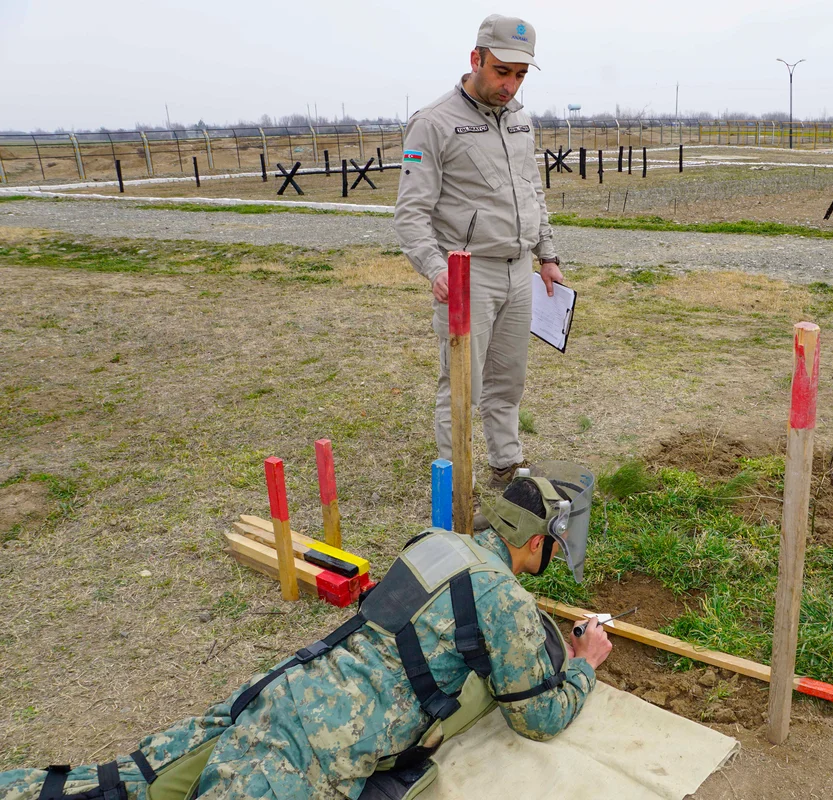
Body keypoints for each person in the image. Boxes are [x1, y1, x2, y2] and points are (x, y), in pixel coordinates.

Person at [0, 471, 609, 800]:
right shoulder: (506, 599)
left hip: (285, 690)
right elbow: (539, 717)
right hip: (314, 750)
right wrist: (584, 663)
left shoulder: (434, 541)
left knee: (123, 780)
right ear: (537, 543)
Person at [393, 14, 563, 492]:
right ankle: (457, 479)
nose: (510, 85)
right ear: (476, 59)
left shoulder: (521, 121)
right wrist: (434, 268)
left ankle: (506, 465)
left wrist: (547, 255)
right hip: (468, 275)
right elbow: (410, 213)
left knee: (508, 380)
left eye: (521, 75)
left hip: (519, 269)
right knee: (462, 386)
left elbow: (533, 191)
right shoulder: (433, 123)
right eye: (501, 71)